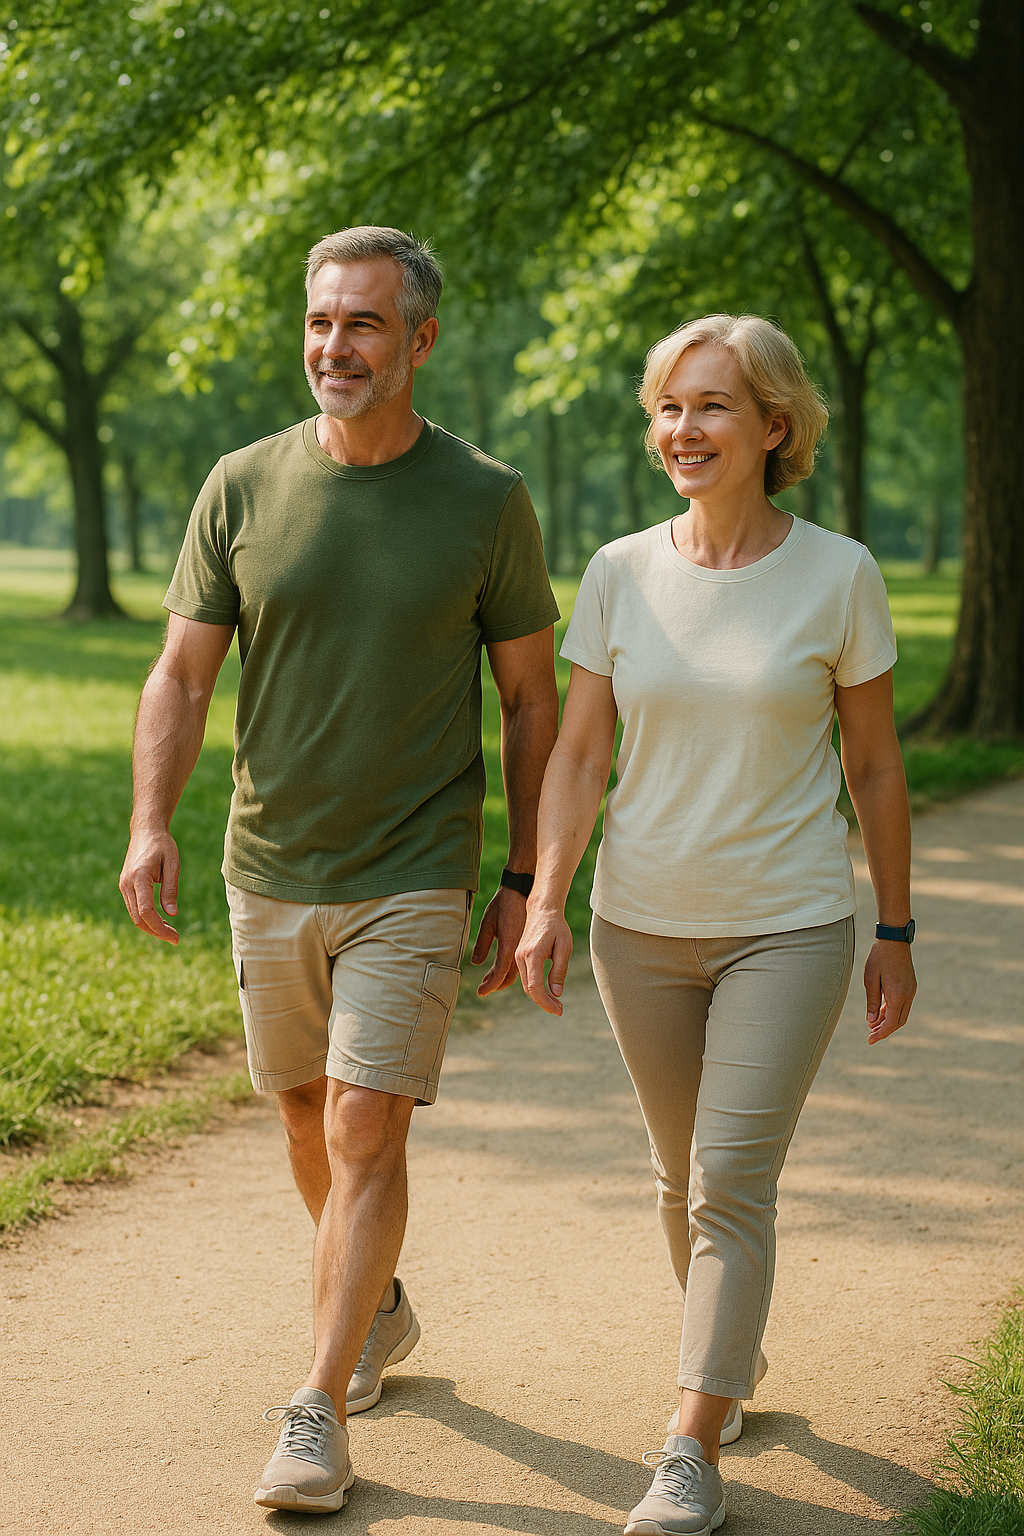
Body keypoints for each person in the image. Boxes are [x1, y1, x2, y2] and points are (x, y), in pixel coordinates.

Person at [118, 226, 560, 1514]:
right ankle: (378, 1309)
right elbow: (182, 672)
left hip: (414, 864)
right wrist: (153, 822)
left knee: (367, 1122)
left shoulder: (486, 499)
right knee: (307, 1115)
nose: (335, 347)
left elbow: (530, 702)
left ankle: (314, 1408)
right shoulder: (241, 485)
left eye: (364, 325)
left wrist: (526, 873)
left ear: (420, 341)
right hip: (271, 861)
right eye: (321, 322)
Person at [515, 314, 917, 1536]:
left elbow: (876, 767)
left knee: (730, 1182)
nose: (681, 430)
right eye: (668, 408)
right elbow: (581, 752)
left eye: (711, 407)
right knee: (676, 1174)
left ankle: (689, 1439)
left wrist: (891, 931)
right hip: (637, 925)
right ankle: (725, 1367)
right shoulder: (618, 570)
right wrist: (544, 898)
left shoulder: (837, 572)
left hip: (785, 926)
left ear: (774, 425)